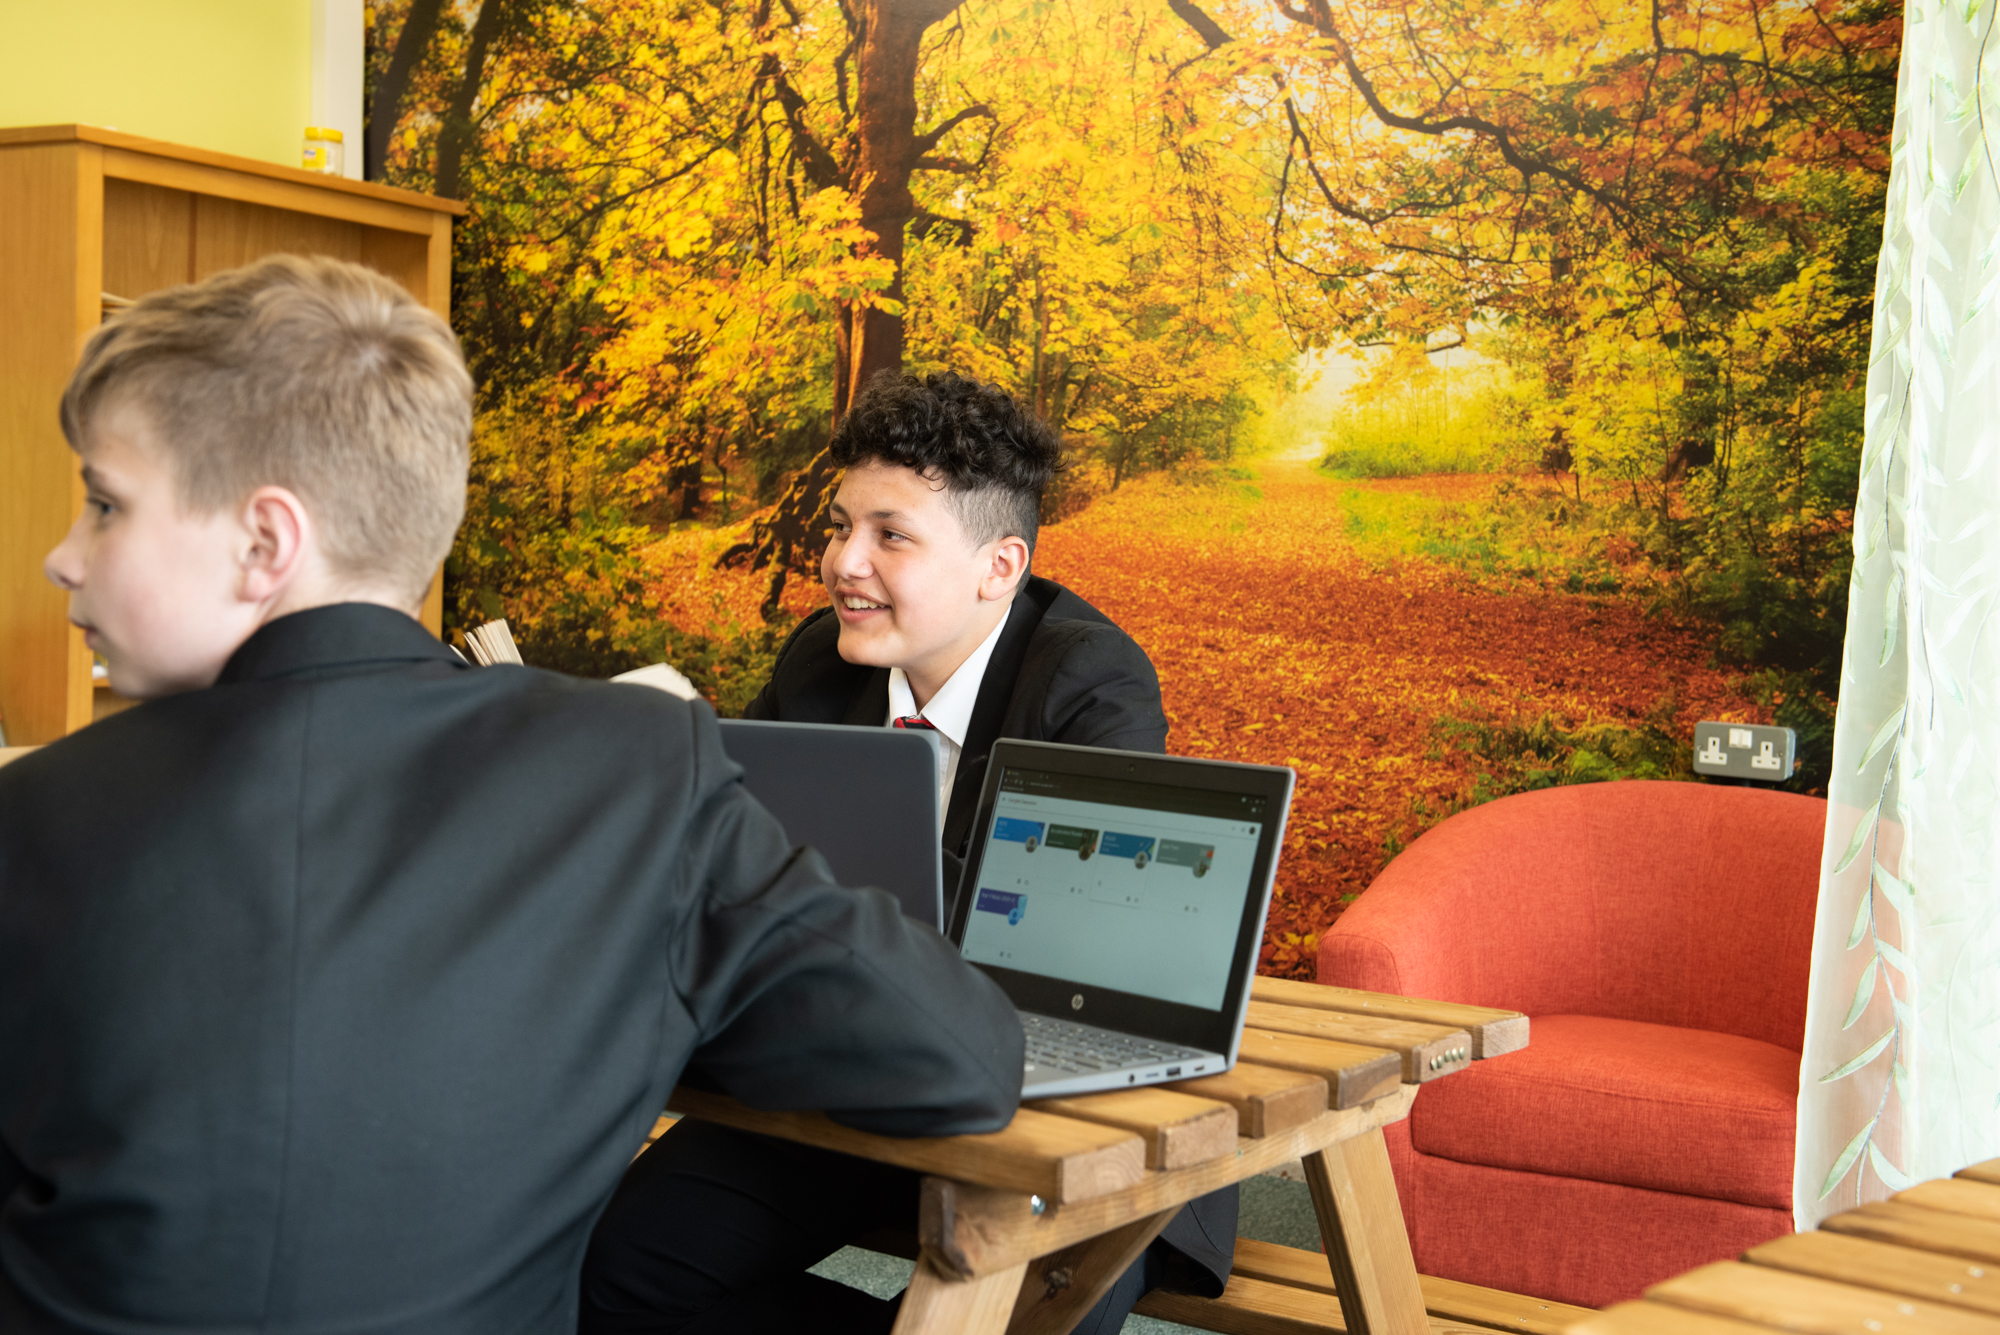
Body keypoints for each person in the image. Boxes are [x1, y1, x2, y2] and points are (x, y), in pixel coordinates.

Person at [0, 257, 1022, 1335]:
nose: (65, 557)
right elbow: (957, 1059)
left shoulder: (36, 816)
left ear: (267, 543)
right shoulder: (633, 770)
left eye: (104, 505)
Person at [580, 371, 1236, 1333]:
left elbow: (1057, 949)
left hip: (1051, 1107)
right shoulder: (819, 659)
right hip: (849, 1079)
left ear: (999, 567)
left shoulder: (1093, 682)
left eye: (890, 535)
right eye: (841, 524)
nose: (845, 560)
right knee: (614, 1275)